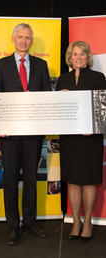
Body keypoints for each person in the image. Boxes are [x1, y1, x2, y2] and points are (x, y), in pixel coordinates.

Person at [0, 23, 51, 245]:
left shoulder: (41, 65)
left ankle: (29, 221)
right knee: (9, 180)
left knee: (30, 179)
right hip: (9, 135)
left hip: (33, 133)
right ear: (13, 39)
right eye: (20, 37)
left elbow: (46, 97)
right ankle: (12, 225)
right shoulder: (1, 65)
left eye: (28, 37)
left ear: (31, 40)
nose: (24, 41)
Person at [56, 41, 106, 242]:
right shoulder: (63, 78)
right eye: (75, 54)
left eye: (82, 54)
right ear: (70, 57)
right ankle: (75, 221)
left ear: (87, 57)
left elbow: (103, 108)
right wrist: (60, 98)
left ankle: (88, 222)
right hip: (69, 137)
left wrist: (93, 128)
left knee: (88, 180)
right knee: (73, 180)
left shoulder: (98, 77)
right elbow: (57, 110)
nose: (78, 57)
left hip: (90, 137)